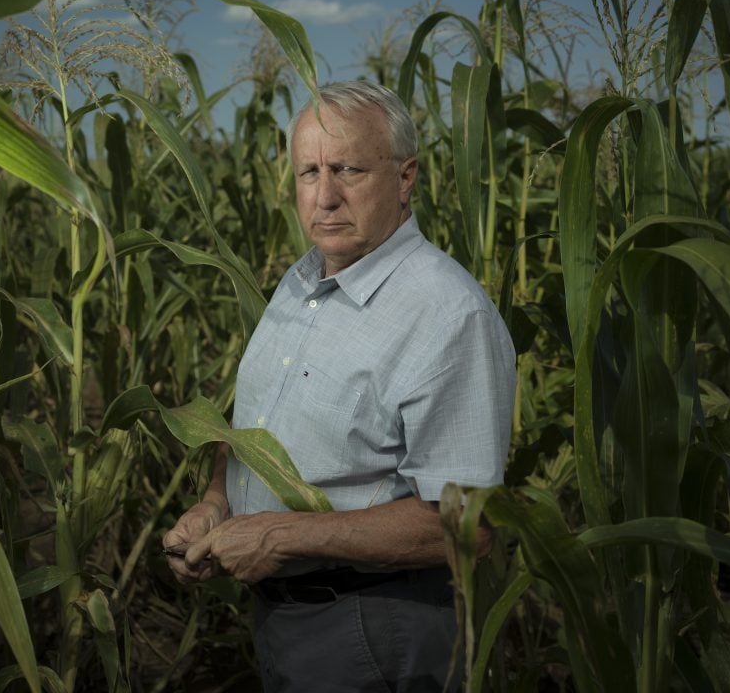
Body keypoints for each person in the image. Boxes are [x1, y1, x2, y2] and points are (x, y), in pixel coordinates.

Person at [163, 80, 516, 692]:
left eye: (347, 169)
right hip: (282, 617)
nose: (324, 197)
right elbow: (256, 421)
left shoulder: (447, 316)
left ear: (405, 178)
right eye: (308, 173)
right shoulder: (301, 281)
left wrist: (283, 536)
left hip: (372, 627)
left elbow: (467, 526)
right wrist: (218, 502)